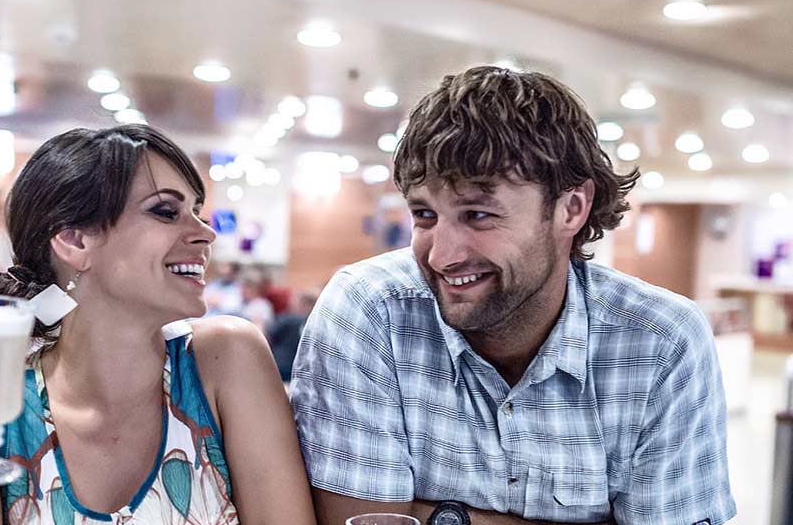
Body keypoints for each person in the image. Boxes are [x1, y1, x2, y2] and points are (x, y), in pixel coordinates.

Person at [290, 66, 736, 525]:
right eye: (424, 214)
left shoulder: (661, 343)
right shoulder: (368, 313)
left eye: (478, 215)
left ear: (571, 208)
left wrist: (437, 517)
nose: (442, 255)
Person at [0, 125, 314, 525]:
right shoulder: (2, 396)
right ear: (75, 241)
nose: (205, 233)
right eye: (167, 211)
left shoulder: (224, 359)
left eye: (197, 212)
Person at [265, 287, 319, 382]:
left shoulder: (288, 319)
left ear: (303, 303)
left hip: (279, 364)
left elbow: (269, 336)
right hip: (300, 367)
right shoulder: (314, 323)